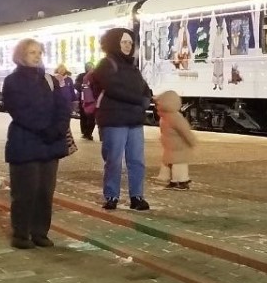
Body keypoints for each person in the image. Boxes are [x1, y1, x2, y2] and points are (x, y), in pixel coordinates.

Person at [2, 38, 73, 249]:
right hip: (25, 142)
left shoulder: (49, 79)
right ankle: (21, 234)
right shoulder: (12, 81)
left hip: (50, 143)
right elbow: (19, 111)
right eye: (32, 52)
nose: (37, 56)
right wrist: (45, 128)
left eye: (39, 52)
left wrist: (58, 128)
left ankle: (40, 232)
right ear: (21, 55)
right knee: (25, 191)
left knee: (44, 191)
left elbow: (63, 107)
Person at [93, 27, 153, 211]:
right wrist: (140, 100)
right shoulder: (106, 64)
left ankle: (137, 196)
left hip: (134, 120)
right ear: (114, 43)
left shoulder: (133, 67)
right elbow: (113, 89)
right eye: (124, 42)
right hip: (114, 120)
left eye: (130, 43)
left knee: (137, 160)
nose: (128, 46)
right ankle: (111, 196)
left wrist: (147, 98)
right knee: (114, 160)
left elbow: (145, 88)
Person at [155, 90, 197, 189]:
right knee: (177, 163)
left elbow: (165, 131)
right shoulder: (175, 117)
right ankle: (179, 181)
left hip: (173, 146)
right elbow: (184, 130)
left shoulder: (165, 117)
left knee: (174, 163)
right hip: (177, 145)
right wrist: (192, 141)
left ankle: (177, 181)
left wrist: (163, 140)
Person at [74, 62, 97, 140]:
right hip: (83, 99)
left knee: (91, 117)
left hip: (92, 100)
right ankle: (84, 131)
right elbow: (76, 85)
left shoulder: (95, 76)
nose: (90, 68)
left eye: (91, 67)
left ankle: (88, 132)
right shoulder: (81, 76)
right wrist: (82, 87)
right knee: (83, 116)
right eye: (88, 67)